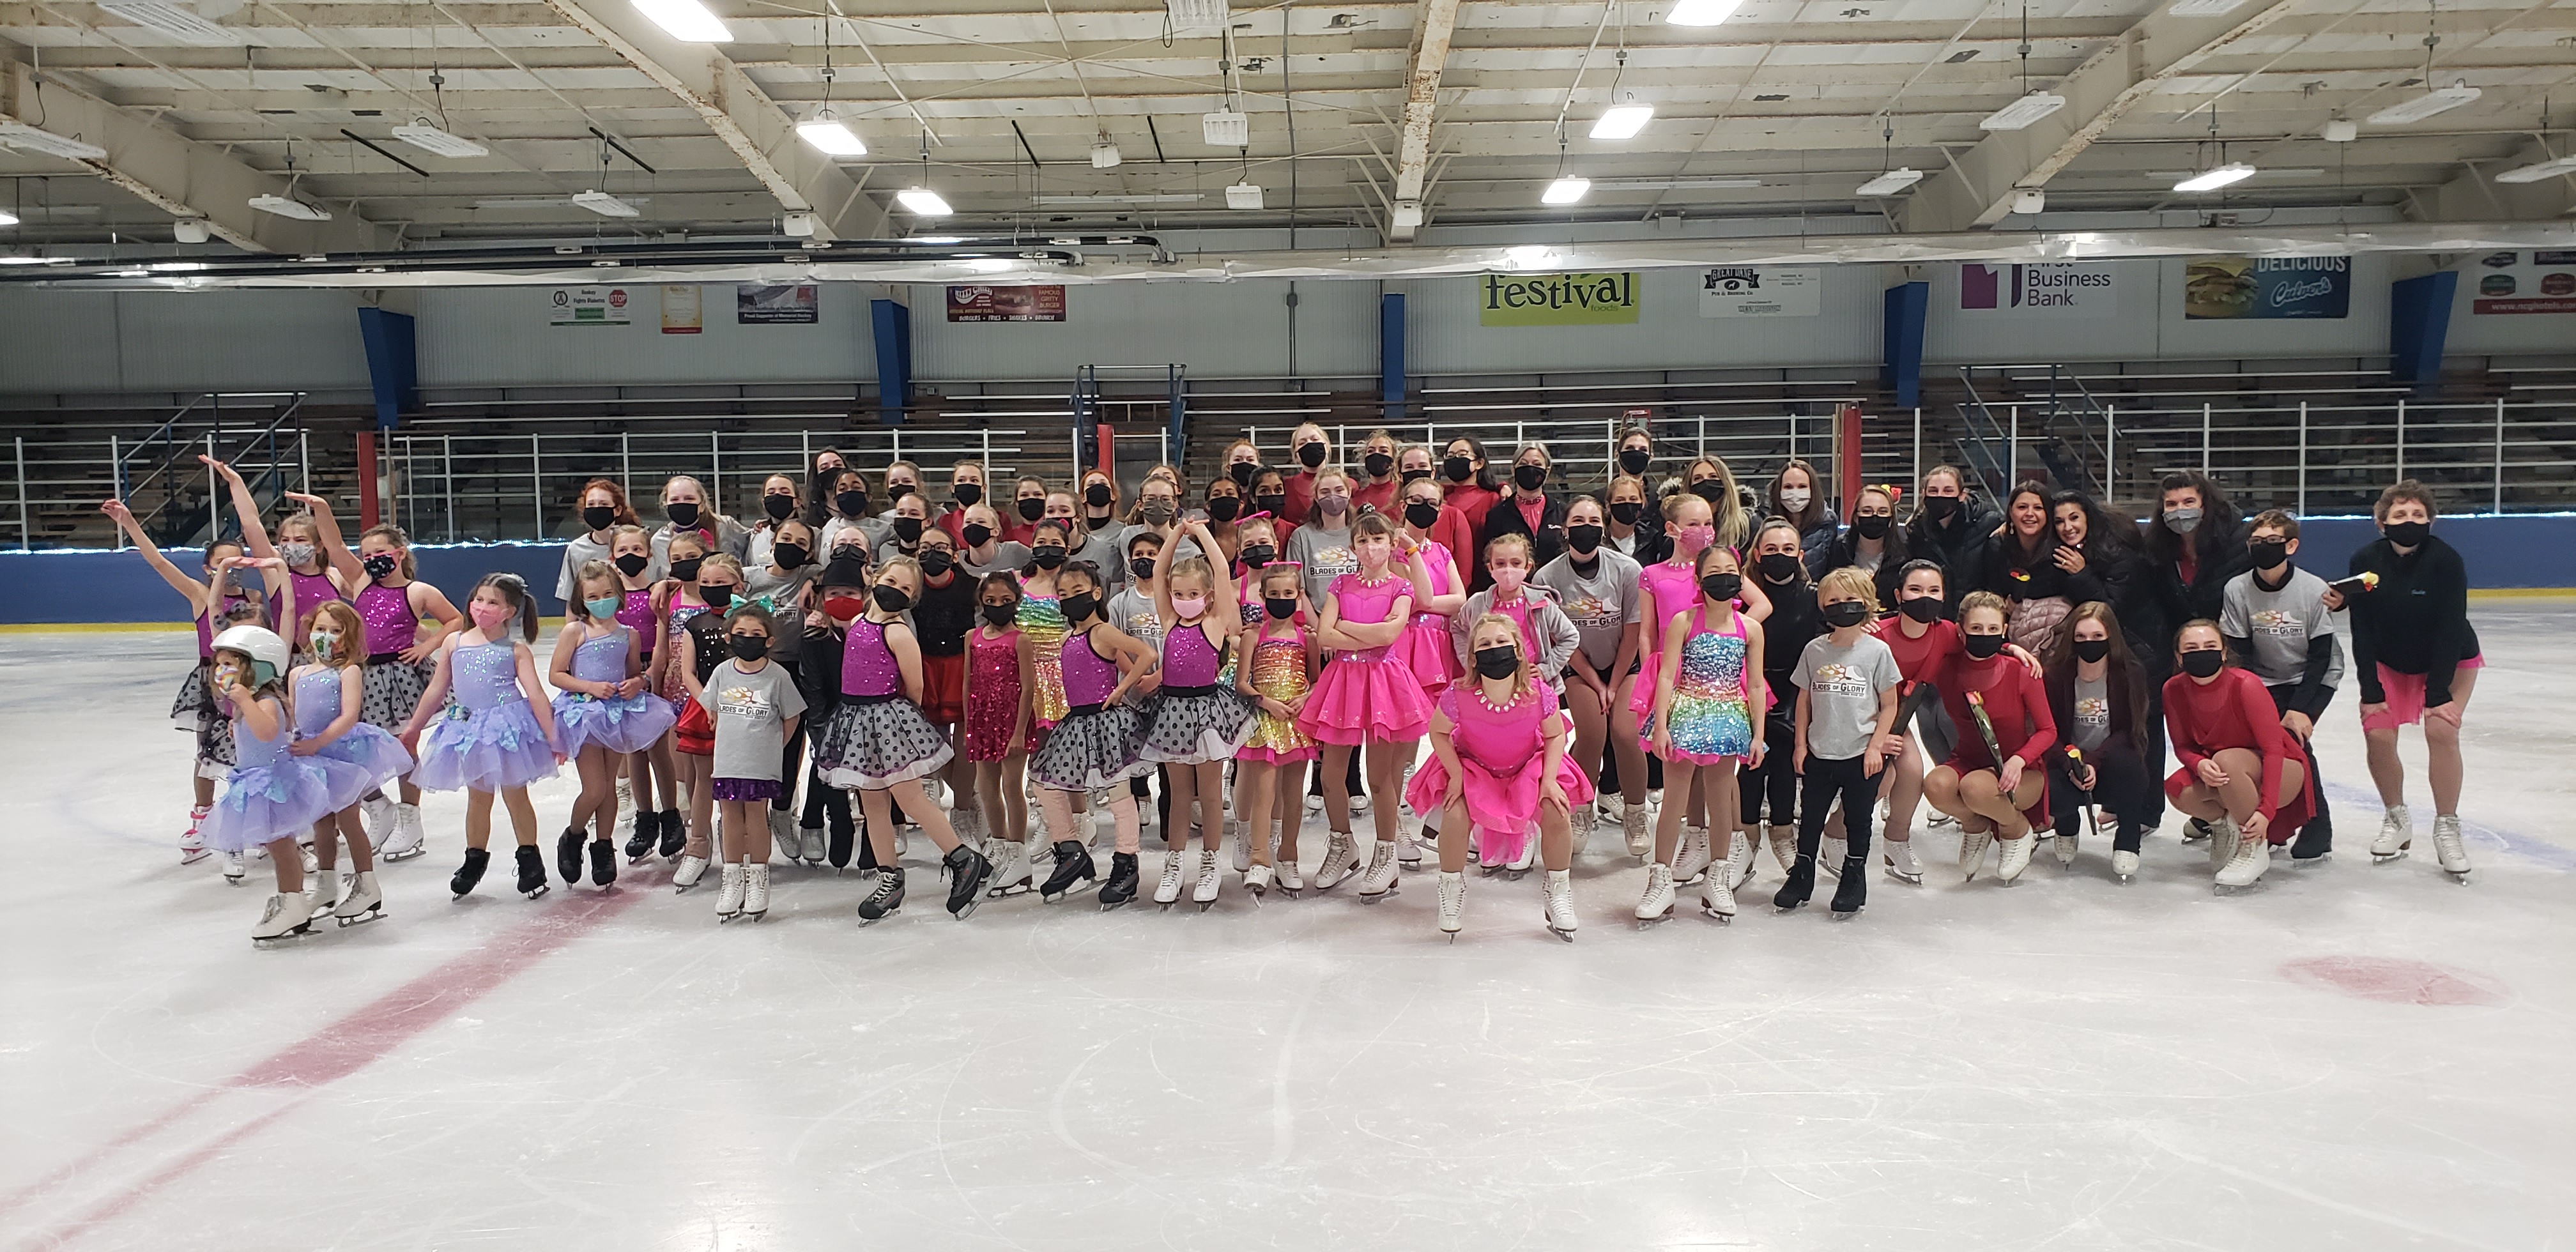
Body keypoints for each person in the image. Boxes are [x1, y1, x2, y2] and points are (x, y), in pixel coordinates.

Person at [100, 500, 287, 864]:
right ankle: (202, 818)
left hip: (251, 680)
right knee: (208, 753)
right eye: (223, 564)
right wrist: (130, 523)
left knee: (253, 750)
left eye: (238, 562)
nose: (232, 570)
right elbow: (158, 562)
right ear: (208, 568)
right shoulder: (201, 595)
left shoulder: (254, 598)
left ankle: (261, 821)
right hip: (213, 680)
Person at [811, 556, 996, 922]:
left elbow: (916, 687)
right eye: (891, 582)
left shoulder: (897, 632)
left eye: (905, 589)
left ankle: (964, 859)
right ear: (876, 578)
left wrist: (894, 719)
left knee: (911, 798)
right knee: (873, 805)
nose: (895, 590)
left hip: (889, 719)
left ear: (912, 600)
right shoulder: (859, 620)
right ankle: (889, 878)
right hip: (855, 719)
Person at [1408, 613, 1593, 941]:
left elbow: (1554, 736)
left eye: (1501, 642)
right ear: (1474, 656)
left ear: (1518, 651)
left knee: (1556, 810)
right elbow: (1438, 732)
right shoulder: (1458, 694)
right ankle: (1451, 889)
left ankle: (1558, 890)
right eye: (1485, 644)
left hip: (1526, 767)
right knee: (1454, 813)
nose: (1494, 648)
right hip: (1475, 768)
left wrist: (1549, 779)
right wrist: (1455, 774)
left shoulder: (1538, 691)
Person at [2331, 480, 2480, 880]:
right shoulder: (2365, 559)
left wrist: (2438, 693)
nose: (2409, 521)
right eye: (2399, 515)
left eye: (2417, 514)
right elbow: (2361, 627)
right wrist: (2370, 688)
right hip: (2388, 660)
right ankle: (2396, 818)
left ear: (2430, 519)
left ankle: (2447, 825)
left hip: (2448, 660)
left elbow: (2451, 626)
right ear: (2381, 522)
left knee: (2441, 731)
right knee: (2378, 733)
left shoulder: (2447, 560)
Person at [1297, 511, 1434, 899]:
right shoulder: (1340, 584)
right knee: (1329, 775)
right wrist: (1366, 636)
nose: (1371, 548)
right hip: (1342, 680)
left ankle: (1386, 854)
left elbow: (1391, 634)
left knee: (1380, 778)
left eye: (1378, 541)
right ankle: (1343, 845)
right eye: (1362, 541)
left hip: (1384, 682)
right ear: (1352, 546)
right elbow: (1324, 635)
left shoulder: (1400, 587)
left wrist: (1349, 631)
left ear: (1392, 545)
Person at [399, 574, 560, 901]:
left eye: (493, 603)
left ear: (509, 612)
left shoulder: (515, 651)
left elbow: (537, 694)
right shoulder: (454, 642)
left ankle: (530, 860)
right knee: (478, 797)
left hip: (507, 728)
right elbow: (436, 689)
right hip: (469, 729)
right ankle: (474, 859)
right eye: (479, 599)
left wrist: (553, 736)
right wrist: (414, 726)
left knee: (516, 796)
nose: (482, 607)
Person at [203, 625, 367, 942]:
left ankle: (292, 900)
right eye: (219, 664)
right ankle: (291, 899)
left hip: (272, 783)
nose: (222, 672)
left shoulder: (264, 702)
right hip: (256, 780)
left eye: (230, 664)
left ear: (258, 667)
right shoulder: (249, 702)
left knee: (281, 845)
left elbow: (266, 732)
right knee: (277, 845)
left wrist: (246, 706)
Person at [1643, 542, 1764, 923]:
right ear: (1699, 580)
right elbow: (1666, 674)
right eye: (1713, 573)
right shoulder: (1684, 621)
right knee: (1674, 802)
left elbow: (1756, 685)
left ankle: (1719, 877)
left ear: (1740, 578)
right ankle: (1660, 879)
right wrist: (1660, 724)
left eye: (1730, 571)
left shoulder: (1751, 628)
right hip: (1685, 714)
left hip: (1728, 718)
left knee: (1721, 801)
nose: (1723, 578)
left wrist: (1758, 734)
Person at [1029, 561, 1160, 908]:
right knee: (1046, 783)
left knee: (1118, 792)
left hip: (1106, 721)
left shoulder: (1102, 631)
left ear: (1096, 593)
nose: (1071, 598)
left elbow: (1147, 653)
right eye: (1064, 594)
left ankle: (1126, 862)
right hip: (1075, 721)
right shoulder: (1066, 636)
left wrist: (1122, 691)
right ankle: (1070, 850)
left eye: (1078, 592)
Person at [1140, 523, 1257, 908]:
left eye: (1192, 594)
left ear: (1207, 597)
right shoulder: (1170, 621)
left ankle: (1210, 864)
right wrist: (1176, 534)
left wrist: (1200, 533)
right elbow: (1159, 570)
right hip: (1172, 711)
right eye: (1178, 594)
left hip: (1208, 711)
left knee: (1209, 795)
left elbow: (1222, 569)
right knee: (1177, 795)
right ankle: (1174, 864)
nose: (1183, 599)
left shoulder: (1215, 622)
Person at [1775, 568, 1901, 919]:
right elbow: (1803, 699)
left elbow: (1890, 703)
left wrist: (1876, 746)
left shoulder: (1878, 652)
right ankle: (1801, 875)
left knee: (1858, 820)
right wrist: (1800, 745)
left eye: (1850, 600)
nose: (1841, 607)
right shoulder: (1814, 650)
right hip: (1820, 753)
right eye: (1833, 601)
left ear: (1867, 603)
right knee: (1811, 818)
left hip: (1860, 755)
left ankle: (1854, 877)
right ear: (1821, 606)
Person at [2220, 510, 2343, 861]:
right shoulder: (2237, 589)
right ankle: (2276, 827)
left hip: (2312, 677)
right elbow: (2238, 650)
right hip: (2264, 678)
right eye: (2256, 542)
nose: (2263, 548)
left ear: (2291, 546)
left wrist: (2301, 709)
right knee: (2261, 746)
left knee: (2294, 742)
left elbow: (2321, 656)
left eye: (2272, 542)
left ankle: (2318, 826)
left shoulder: (2313, 589)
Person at [549, 560, 677, 890]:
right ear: (582, 598)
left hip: (618, 713)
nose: (601, 600)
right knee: (595, 788)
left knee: (609, 787)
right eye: (593, 596)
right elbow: (557, 674)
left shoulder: (629, 635)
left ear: (618, 595)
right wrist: (590, 687)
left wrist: (638, 683)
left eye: (607, 594)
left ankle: (603, 847)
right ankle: (573, 836)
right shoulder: (575, 631)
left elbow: (633, 673)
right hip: (584, 715)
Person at [286, 602, 413, 928]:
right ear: (309, 631)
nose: (326, 637)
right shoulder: (297, 673)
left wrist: (319, 742)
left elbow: (348, 715)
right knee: (321, 823)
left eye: (335, 631)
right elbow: (291, 717)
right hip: (310, 754)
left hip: (340, 751)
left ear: (348, 636)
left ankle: (367, 884)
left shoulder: (348, 671)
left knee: (348, 819)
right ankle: (327, 886)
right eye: (321, 629)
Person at [2164, 620, 2316, 891]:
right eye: (2191, 647)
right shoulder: (2173, 689)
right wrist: (2198, 764)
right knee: (2178, 789)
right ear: (2179, 656)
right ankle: (2224, 826)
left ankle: (2253, 847)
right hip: (2226, 775)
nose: (2201, 652)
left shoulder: (2246, 684)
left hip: (2280, 772)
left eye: (2210, 646)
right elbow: (2182, 746)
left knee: (2228, 761)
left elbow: (2273, 749)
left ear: (2223, 652)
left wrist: (2267, 810)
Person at [1537, 496, 1649, 855]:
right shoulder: (1548, 576)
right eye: (1578, 521)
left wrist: (1614, 684)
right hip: (1579, 664)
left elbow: (1634, 631)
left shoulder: (1627, 569)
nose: (1587, 527)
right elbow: (1560, 638)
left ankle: (1636, 812)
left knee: (1625, 733)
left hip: (1623, 663)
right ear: (1566, 530)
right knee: (1592, 734)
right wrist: (1597, 684)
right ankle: (1581, 809)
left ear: (1603, 528)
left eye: (1594, 520)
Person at [1920, 591, 2057, 884]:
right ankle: (1975, 824)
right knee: (1935, 785)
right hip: (1968, 761)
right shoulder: (1947, 668)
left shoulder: (2021, 670)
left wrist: (2020, 761)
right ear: (1961, 631)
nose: (1986, 635)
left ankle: (2016, 829)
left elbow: (2049, 731)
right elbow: (1918, 643)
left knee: (1974, 788)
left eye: (1994, 630)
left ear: (2004, 629)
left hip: (2021, 771)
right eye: (1977, 629)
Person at [695, 604, 806, 921]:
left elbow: (792, 717)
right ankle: (732, 879)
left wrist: (772, 747)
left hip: (760, 762)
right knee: (730, 816)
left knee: (756, 816)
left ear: (769, 641)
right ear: (729, 637)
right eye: (741, 634)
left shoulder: (778, 676)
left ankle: (758, 877)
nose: (748, 639)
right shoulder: (721, 672)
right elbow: (712, 711)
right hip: (728, 759)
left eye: (756, 634)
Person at [2043, 602, 2156, 881]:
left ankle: (2128, 838)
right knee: (2052, 790)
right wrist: (2071, 763)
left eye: (2097, 637)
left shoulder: (2130, 673)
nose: (2088, 643)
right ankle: (2067, 826)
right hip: (2068, 758)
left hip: (2112, 759)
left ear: (2111, 637)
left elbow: (2130, 729)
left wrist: (2093, 761)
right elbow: (2049, 730)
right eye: (2080, 637)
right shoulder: (2055, 675)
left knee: (2130, 767)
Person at [1232, 563, 1319, 897]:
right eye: (1274, 595)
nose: (1281, 599)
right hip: (1266, 720)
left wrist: (1304, 697)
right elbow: (1242, 683)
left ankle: (1289, 856)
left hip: (1296, 723)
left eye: (1288, 594)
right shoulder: (1253, 635)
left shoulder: (1305, 638)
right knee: (1264, 790)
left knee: (1293, 793)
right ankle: (1259, 857)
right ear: (1263, 597)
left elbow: (1315, 679)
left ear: (1298, 597)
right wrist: (1265, 702)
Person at [206, 457, 349, 655]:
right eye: (285, 540)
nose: (291, 546)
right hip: (290, 656)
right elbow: (251, 523)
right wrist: (235, 483)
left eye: (300, 540)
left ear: (318, 546)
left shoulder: (335, 576)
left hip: (334, 657)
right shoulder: (276, 573)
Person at [1742, 519, 1818, 879]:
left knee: (1785, 751)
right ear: (1758, 555)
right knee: (1750, 759)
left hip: (1795, 687)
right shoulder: (1745, 594)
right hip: (1749, 683)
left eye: (1788, 550)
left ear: (1800, 555)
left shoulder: (1813, 594)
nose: (1780, 556)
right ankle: (1746, 835)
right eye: (1771, 550)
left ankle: (1784, 829)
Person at [652, 537, 727, 889]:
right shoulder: (690, 620)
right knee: (700, 778)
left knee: (737, 779)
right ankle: (697, 846)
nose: (712, 587)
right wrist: (709, 702)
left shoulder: (745, 616)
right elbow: (686, 669)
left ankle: (737, 847)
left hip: (741, 707)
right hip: (699, 704)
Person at [610, 523, 682, 864]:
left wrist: (653, 675)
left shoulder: (660, 590)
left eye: (637, 550)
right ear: (612, 556)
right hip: (621, 676)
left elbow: (664, 632)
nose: (630, 556)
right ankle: (645, 819)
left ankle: (671, 817)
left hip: (654, 670)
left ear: (649, 554)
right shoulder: (609, 596)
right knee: (632, 750)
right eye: (623, 551)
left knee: (656, 749)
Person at [963, 572, 1038, 895]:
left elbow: (1028, 688)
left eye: (1005, 601)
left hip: (1011, 720)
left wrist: (1019, 731)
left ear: (1016, 603)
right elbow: (968, 682)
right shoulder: (972, 637)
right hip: (982, 719)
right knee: (986, 786)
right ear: (981, 602)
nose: (997, 606)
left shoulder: (1020, 640)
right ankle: (998, 845)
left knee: (1011, 785)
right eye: (991, 601)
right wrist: (970, 722)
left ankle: (1018, 854)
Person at [795, 558, 870, 870]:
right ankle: (839, 819)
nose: (842, 599)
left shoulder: (874, 634)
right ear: (822, 598)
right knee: (827, 765)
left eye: (851, 593)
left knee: (871, 777)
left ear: (864, 596)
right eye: (834, 593)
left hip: (871, 716)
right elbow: (813, 690)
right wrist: (822, 732)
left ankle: (874, 838)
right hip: (829, 715)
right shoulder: (814, 639)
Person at [913, 527, 978, 827]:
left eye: (940, 547)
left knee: (964, 740)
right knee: (932, 742)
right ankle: (971, 798)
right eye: (924, 548)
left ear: (955, 555)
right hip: (923, 666)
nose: (932, 553)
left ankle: (962, 812)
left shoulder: (971, 586)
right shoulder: (911, 588)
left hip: (962, 665)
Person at [1392, 474, 1470, 704]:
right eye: (1417, 501)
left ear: (1440, 511)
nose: (1425, 507)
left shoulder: (1442, 551)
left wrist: (1426, 602)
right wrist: (1433, 603)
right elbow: (1409, 600)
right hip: (1408, 642)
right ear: (1404, 505)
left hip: (1441, 642)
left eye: (1432, 503)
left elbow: (1459, 600)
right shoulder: (1393, 551)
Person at [1975, 480, 2074, 655]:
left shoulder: (2063, 550)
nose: (2030, 514)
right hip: (2010, 640)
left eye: (2038, 508)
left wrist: (2025, 608)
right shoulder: (1996, 547)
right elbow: (1992, 591)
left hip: (2056, 642)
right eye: (2022, 507)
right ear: (2011, 512)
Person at [1901, 465, 1997, 599]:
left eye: (1948, 491)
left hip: (1974, 612)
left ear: (1962, 495)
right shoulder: (1917, 531)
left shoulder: (1988, 524)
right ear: (1924, 494)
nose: (1940, 496)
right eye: (1933, 491)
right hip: (1933, 612)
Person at [1811, 483, 1908, 606]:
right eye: (1867, 511)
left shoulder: (1904, 554)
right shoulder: (1839, 548)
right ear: (1856, 517)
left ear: (1891, 519)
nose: (1875, 516)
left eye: (1883, 512)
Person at [1482, 441, 1570, 570]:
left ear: (1547, 470)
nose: (1530, 468)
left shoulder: (1563, 512)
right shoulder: (1497, 516)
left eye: (1537, 464)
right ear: (1513, 470)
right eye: (1523, 464)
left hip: (1554, 586)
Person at [558, 478, 646, 602]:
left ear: (618, 510)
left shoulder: (637, 543)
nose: (597, 509)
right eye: (591, 504)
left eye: (604, 504)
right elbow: (571, 599)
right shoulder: (576, 549)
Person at [1286, 464, 1360, 607]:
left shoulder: (1361, 534)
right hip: (1314, 624)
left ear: (1349, 492)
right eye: (1325, 492)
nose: (1333, 496)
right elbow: (1297, 591)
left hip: (1357, 620)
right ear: (1316, 497)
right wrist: (1319, 628)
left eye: (1339, 490)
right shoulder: (1301, 537)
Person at [652, 475, 749, 567]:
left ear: (702, 505)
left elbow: (753, 544)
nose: (682, 503)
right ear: (666, 505)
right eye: (675, 499)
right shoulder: (659, 541)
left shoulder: (725, 526)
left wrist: (761, 526)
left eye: (689, 498)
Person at [1768, 459, 1839, 570]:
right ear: (1779, 490)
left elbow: (1832, 565)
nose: (1795, 493)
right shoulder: (1765, 521)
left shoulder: (1828, 521)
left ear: (1812, 489)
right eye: (1788, 487)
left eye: (1802, 487)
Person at [1439, 436, 1503, 556]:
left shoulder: (1492, 499)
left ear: (1479, 463)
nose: (1455, 460)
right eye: (1450, 456)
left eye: (1462, 455)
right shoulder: (1440, 497)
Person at [1682, 457, 1755, 554]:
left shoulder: (1748, 527)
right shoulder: (1680, 530)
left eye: (1713, 476)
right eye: (1698, 478)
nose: (1706, 482)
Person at [744, 473, 803, 570]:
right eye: (771, 493)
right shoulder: (756, 537)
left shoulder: (812, 535)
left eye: (785, 492)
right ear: (764, 503)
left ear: (798, 502)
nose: (777, 495)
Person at [1282, 423, 1333, 525]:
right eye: (1302, 443)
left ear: (1326, 447)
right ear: (1296, 455)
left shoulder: (1347, 485)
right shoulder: (1285, 486)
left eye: (1315, 440)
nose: (1309, 444)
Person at [1606, 473, 1662, 562]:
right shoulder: (1599, 540)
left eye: (1633, 499)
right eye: (1620, 500)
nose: (1627, 504)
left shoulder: (1652, 540)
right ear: (1608, 506)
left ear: (1642, 504)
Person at [937, 459, 988, 544]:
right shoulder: (944, 521)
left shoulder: (1000, 519)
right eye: (961, 480)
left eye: (974, 480)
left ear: (984, 488)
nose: (968, 484)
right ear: (953, 488)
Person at [1353, 429, 1402, 516]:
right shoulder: (1356, 497)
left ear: (1394, 460)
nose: (1376, 454)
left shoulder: (1401, 496)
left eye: (1384, 451)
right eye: (1371, 451)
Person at [1004, 475, 1049, 547]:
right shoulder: (1009, 537)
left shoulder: (1057, 533)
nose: (1031, 498)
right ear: (1016, 502)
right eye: (1024, 495)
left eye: (1037, 494)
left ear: (1047, 499)